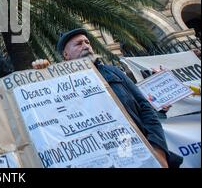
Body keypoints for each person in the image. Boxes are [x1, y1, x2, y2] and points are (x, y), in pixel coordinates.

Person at [33, 28, 182, 168]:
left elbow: (145, 108)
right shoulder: (59, 83)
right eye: (79, 44)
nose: (86, 46)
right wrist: (43, 74)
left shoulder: (113, 71)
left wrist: (159, 150)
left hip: (140, 152)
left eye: (87, 42)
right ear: (66, 55)